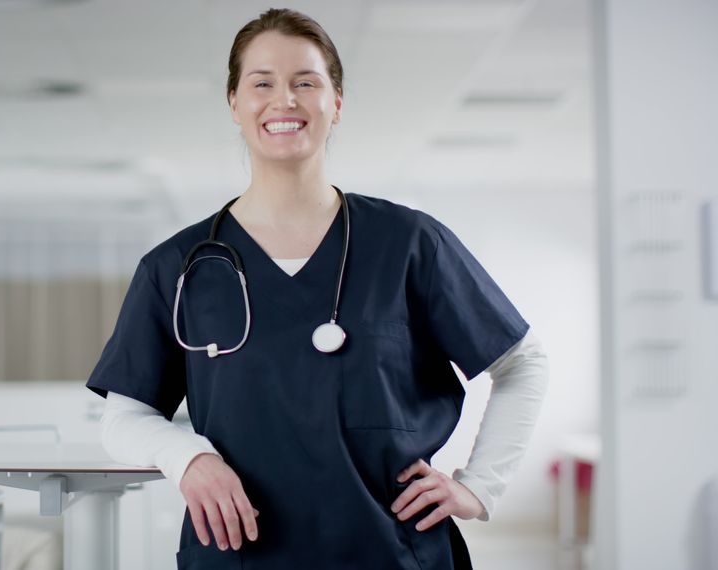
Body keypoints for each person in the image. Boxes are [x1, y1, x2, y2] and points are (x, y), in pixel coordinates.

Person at [85, 8, 548, 569]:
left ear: (336, 102)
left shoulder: (408, 243)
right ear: (234, 103)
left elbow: (522, 363)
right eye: (262, 83)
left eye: (306, 82)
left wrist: (480, 486)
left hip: (391, 551)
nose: (285, 100)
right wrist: (186, 458)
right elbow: (124, 415)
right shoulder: (178, 267)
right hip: (241, 556)